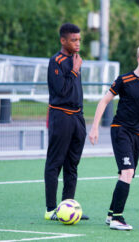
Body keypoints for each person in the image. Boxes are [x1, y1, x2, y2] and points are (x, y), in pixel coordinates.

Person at [89, 44, 139, 231]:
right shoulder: (123, 80)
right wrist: (94, 128)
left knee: (127, 174)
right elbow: (104, 101)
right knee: (127, 172)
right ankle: (118, 218)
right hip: (121, 130)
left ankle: (111, 215)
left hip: (138, 134)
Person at [44, 23, 89, 221]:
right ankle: (50, 209)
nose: (77, 43)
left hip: (77, 117)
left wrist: (76, 67)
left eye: (79, 39)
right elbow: (61, 91)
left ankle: (67, 207)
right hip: (61, 116)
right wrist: (74, 70)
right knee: (55, 163)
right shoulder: (56, 61)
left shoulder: (75, 59)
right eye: (73, 40)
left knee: (73, 164)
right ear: (63, 41)